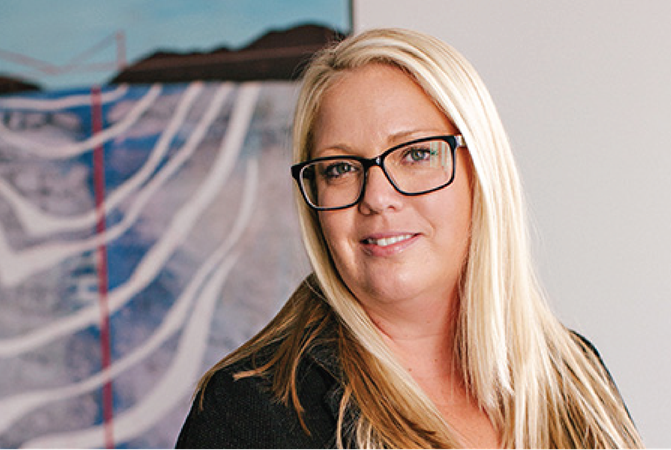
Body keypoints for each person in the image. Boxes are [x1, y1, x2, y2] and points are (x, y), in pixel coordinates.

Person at [176, 28, 644, 449]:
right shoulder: (246, 415)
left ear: (481, 173)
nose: (377, 198)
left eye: (416, 154)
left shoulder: (573, 371)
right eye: (340, 169)